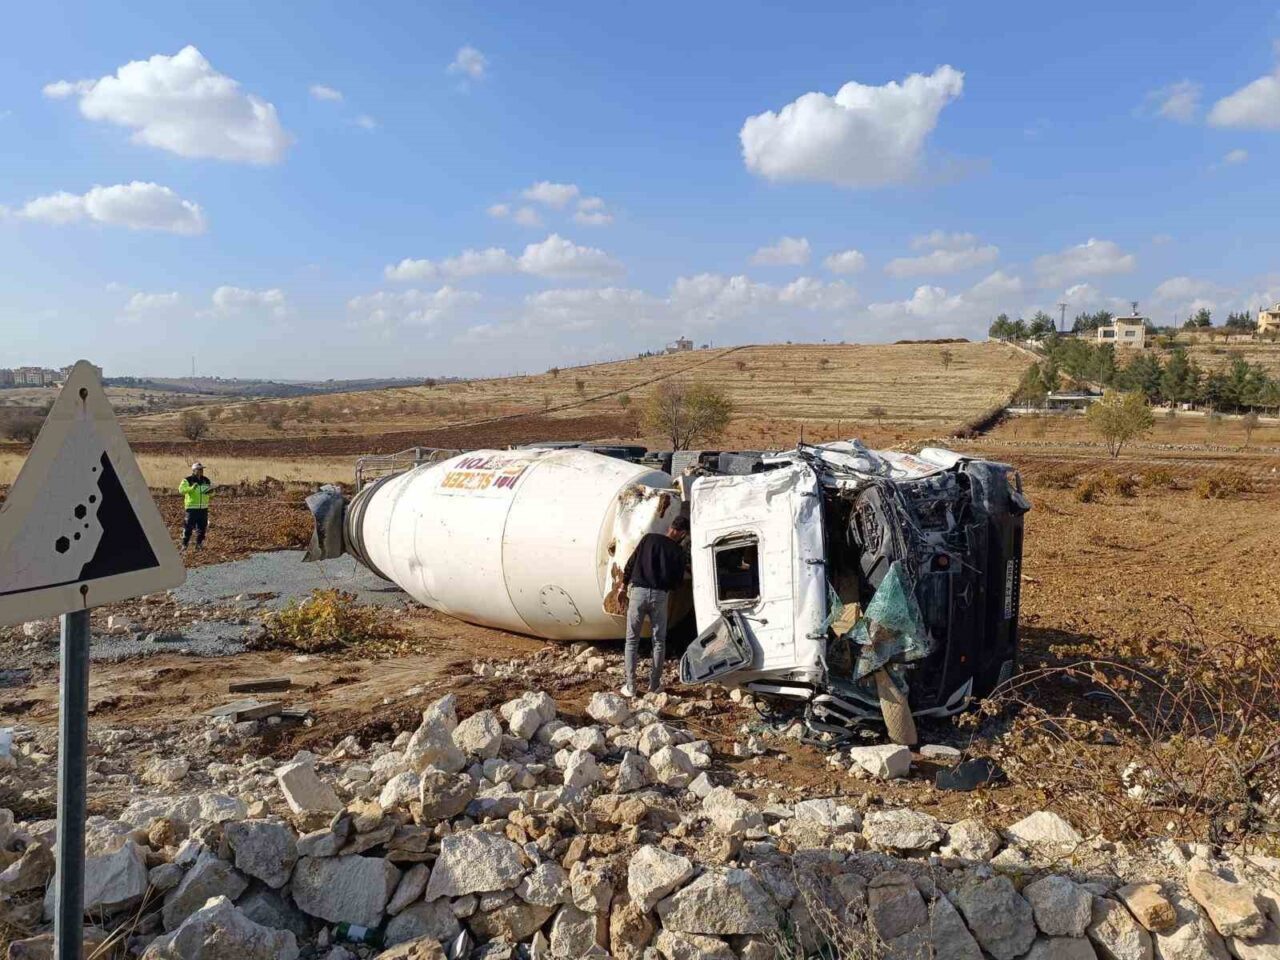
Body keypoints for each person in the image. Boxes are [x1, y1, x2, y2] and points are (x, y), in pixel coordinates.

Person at [620, 515, 690, 697]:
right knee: (659, 641)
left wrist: (622, 585)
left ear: (670, 526)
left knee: (632, 640)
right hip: (660, 596)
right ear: (682, 533)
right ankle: (654, 685)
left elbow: (631, 562)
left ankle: (631, 686)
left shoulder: (649, 539)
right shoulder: (678, 552)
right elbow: (677, 582)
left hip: (638, 593)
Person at [178, 462, 213, 551]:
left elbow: (212, 492)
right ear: (194, 470)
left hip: (203, 508)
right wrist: (191, 488)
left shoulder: (206, 480)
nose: (201, 471)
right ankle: (184, 545)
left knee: (202, 528)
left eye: (202, 469)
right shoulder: (187, 480)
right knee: (188, 528)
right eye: (199, 469)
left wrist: (211, 493)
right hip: (192, 508)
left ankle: (199, 545)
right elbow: (181, 490)